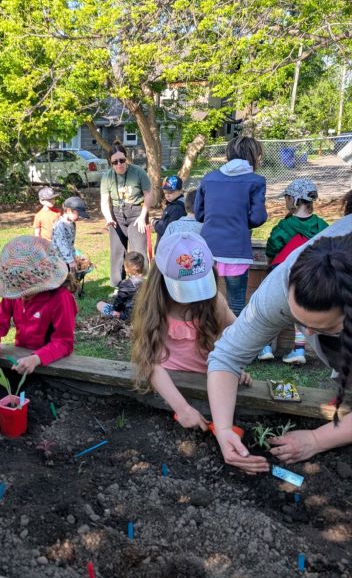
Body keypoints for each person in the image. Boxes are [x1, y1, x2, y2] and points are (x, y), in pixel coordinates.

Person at [207, 218, 352, 473]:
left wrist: (318, 439)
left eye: (323, 328)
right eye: (299, 320)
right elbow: (226, 356)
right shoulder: (280, 287)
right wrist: (223, 429)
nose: (307, 334)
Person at [131, 232, 251, 430]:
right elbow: (149, 362)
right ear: (161, 279)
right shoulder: (154, 307)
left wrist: (233, 366)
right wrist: (183, 409)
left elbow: (236, 331)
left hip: (210, 380)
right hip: (170, 384)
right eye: (185, 289)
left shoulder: (213, 302)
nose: (193, 297)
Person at [0, 236, 78, 384]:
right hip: (23, 357)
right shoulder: (15, 291)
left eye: (27, 292)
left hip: (50, 362)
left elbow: (64, 342)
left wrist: (36, 358)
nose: (21, 297)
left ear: (42, 281)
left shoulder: (60, 299)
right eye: (18, 292)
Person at [257, 178, 328, 365]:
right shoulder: (321, 225)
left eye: (287, 197)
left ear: (295, 200)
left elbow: (272, 248)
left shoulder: (285, 226)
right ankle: (298, 350)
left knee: (270, 309)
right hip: (310, 278)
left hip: (282, 275)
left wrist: (269, 264)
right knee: (301, 313)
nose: (285, 201)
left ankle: (265, 347)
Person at [194, 135, 267, 316]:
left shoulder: (209, 179)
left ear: (229, 154)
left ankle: (205, 341)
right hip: (236, 251)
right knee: (236, 304)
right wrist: (241, 221)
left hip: (207, 250)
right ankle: (233, 343)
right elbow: (258, 218)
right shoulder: (256, 181)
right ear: (253, 156)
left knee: (204, 301)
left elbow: (199, 214)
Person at [100, 143, 153, 287]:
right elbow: (104, 201)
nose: (119, 164)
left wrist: (143, 216)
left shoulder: (138, 172)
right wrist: (109, 218)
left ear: (126, 158)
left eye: (122, 160)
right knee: (117, 252)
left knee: (138, 251)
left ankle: (142, 285)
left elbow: (148, 194)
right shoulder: (107, 177)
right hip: (116, 215)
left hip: (136, 213)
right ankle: (118, 285)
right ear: (110, 162)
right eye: (115, 162)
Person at [96, 251, 145, 322]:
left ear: (126, 269)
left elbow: (119, 301)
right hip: (144, 315)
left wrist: (116, 311)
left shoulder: (126, 284)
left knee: (99, 304)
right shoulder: (148, 282)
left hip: (127, 316)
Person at [51, 196, 90, 269]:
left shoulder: (72, 224)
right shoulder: (60, 224)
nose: (79, 217)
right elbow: (62, 244)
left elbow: (71, 243)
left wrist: (74, 256)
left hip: (68, 259)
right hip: (58, 260)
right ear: (69, 211)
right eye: (78, 214)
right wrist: (70, 261)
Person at [154, 175, 186, 247]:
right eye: (165, 192)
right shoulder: (172, 204)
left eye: (171, 192)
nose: (167, 195)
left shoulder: (177, 208)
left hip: (170, 248)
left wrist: (154, 223)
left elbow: (166, 229)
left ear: (180, 191)